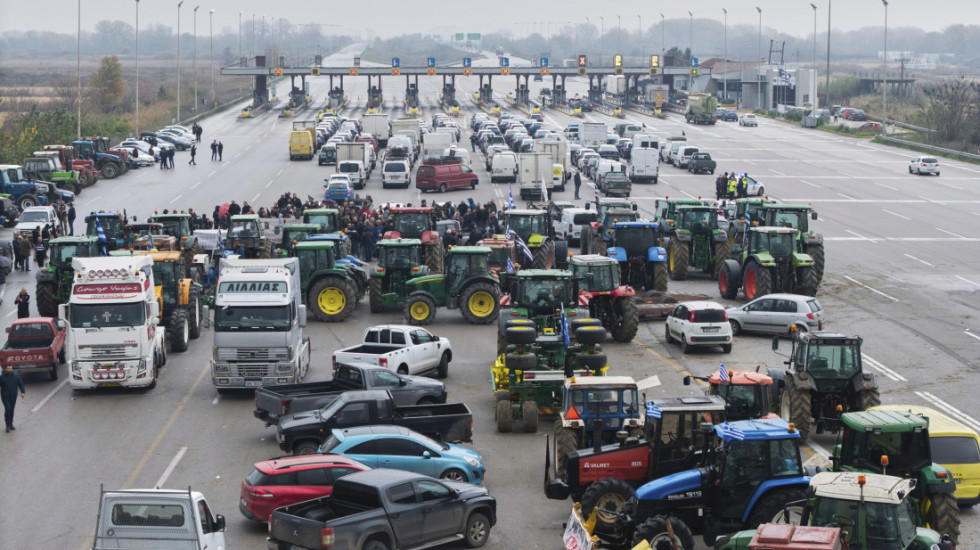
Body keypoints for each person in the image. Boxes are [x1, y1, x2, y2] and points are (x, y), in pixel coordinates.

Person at [0, 364, 26, 433]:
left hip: (13, 395)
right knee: (8, 409)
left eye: (11, 368)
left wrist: (23, 392)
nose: (10, 370)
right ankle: (7, 425)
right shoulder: (2, 377)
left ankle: (11, 424)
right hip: (5, 396)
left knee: (11, 410)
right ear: (5, 369)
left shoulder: (16, 376)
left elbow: (21, 384)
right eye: (8, 368)